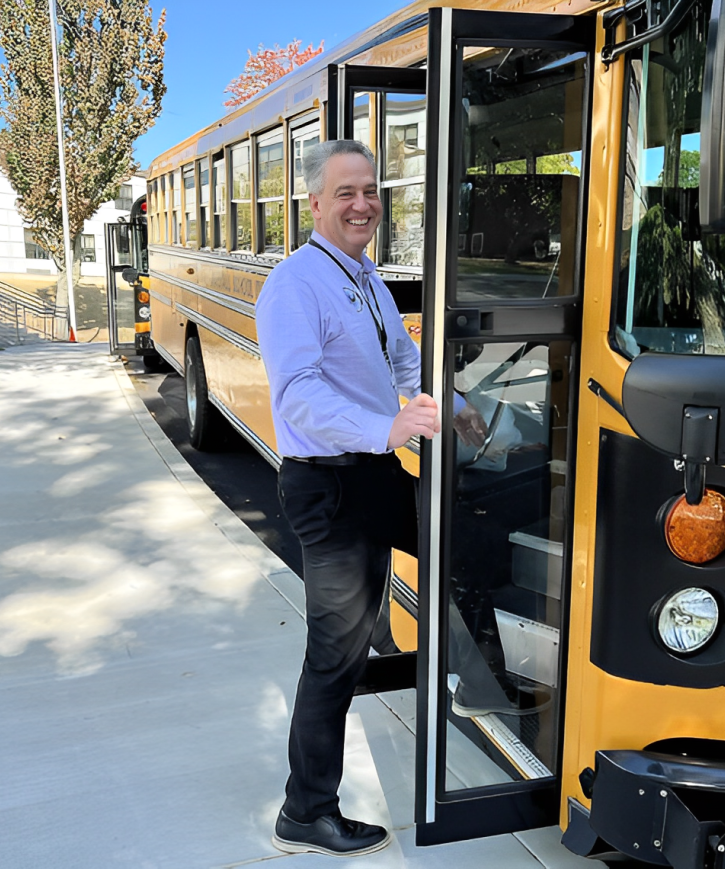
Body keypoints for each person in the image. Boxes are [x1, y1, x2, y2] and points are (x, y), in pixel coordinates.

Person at [255, 139, 485, 857]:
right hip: (327, 485)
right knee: (337, 651)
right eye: (345, 192)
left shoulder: (366, 278)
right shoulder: (294, 285)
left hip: (376, 474)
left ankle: (490, 689)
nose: (362, 204)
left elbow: (406, 362)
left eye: (370, 191)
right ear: (314, 203)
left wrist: (451, 404)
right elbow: (297, 395)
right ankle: (306, 810)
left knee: (473, 543)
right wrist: (386, 426)